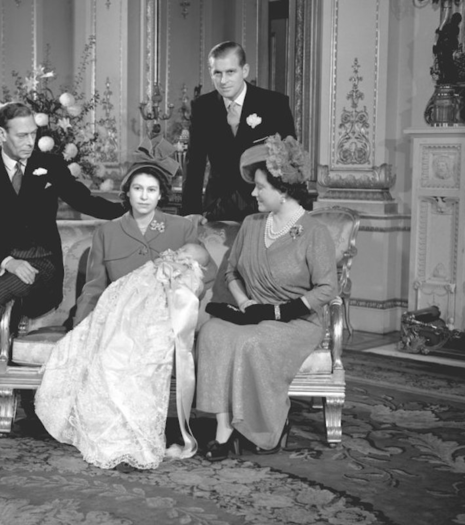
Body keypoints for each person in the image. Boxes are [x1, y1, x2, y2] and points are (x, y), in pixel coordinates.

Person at [0, 102, 124, 430]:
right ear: (1, 135)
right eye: (22, 135)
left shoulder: (50, 165)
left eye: (34, 133)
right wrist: (6, 262)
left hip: (42, 261)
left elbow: (83, 199)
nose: (30, 141)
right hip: (2, 261)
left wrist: (125, 210)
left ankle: (9, 384)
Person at [195, 135, 338, 461]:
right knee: (214, 333)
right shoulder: (251, 224)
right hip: (251, 313)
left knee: (252, 342)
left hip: (296, 322)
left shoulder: (314, 233)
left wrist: (280, 311)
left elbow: (328, 289)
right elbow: (231, 272)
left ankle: (267, 425)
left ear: (283, 189)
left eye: (260, 187)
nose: (253, 192)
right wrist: (245, 303)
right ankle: (223, 430)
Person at [35, 240, 212, 472]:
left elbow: (184, 304)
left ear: (194, 262)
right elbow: (124, 288)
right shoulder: (150, 259)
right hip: (125, 319)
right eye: (181, 249)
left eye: (186, 253)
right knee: (108, 359)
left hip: (154, 328)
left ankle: (134, 442)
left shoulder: (189, 275)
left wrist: (175, 277)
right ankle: (109, 440)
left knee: (134, 373)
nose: (179, 253)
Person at [73, 139, 216, 325]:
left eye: (151, 190)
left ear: (161, 194)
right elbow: (93, 290)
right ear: (128, 191)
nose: (143, 197)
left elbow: (207, 272)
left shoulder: (182, 228)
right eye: (137, 188)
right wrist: (80, 329)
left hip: (166, 322)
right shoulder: (106, 233)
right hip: (118, 322)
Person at [180, 41, 296, 221]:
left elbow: (290, 162)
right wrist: (190, 214)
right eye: (217, 73)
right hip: (217, 208)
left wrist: (289, 209)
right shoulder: (203, 107)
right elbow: (194, 164)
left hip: (262, 206)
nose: (223, 81)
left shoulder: (275, 104)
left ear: (245, 70)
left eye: (230, 72)